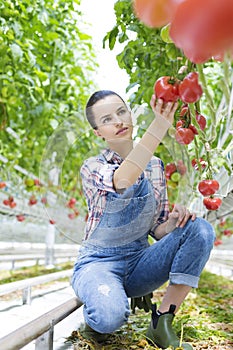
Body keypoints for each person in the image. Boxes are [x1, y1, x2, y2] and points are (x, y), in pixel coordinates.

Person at [71, 90, 215, 349]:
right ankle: (99, 308)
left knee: (199, 230)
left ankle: (161, 322)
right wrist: (159, 125)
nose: (118, 121)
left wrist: (175, 221)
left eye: (121, 112)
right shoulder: (92, 167)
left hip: (140, 262)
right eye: (106, 119)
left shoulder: (156, 166)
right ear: (98, 133)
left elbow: (157, 228)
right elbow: (123, 179)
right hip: (99, 264)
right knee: (109, 317)